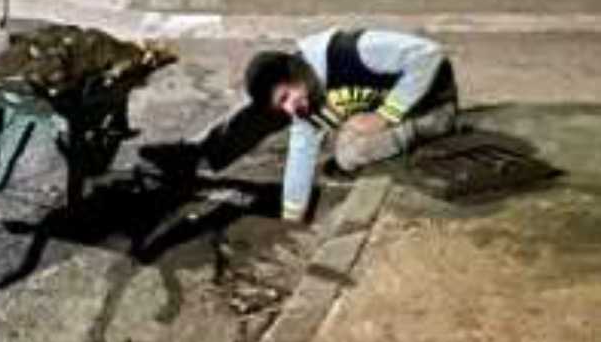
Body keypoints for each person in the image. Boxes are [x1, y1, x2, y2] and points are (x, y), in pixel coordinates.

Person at [141, 27, 459, 223]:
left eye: (287, 95)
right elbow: (301, 152)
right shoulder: (303, 92)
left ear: (297, 71)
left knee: (350, 151)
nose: (291, 107)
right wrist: (292, 214)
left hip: (430, 107)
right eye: (283, 102)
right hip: (374, 106)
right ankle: (195, 154)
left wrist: (386, 116)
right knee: (261, 110)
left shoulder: (353, 51)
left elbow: (429, 54)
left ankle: (419, 132)